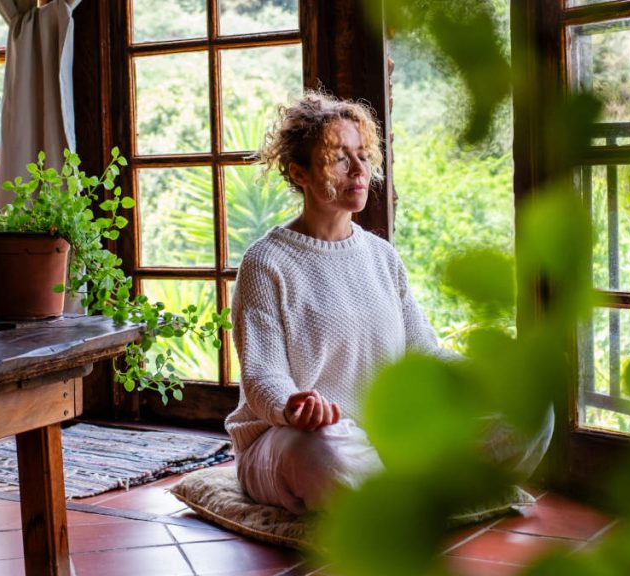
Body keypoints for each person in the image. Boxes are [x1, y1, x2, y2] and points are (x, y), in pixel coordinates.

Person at [225, 91, 551, 514]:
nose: (360, 170)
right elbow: (262, 374)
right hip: (294, 440)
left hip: (388, 437)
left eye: (363, 155)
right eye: (340, 158)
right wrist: (292, 407)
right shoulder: (266, 262)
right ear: (299, 173)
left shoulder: (381, 256)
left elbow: (424, 353)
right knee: (322, 450)